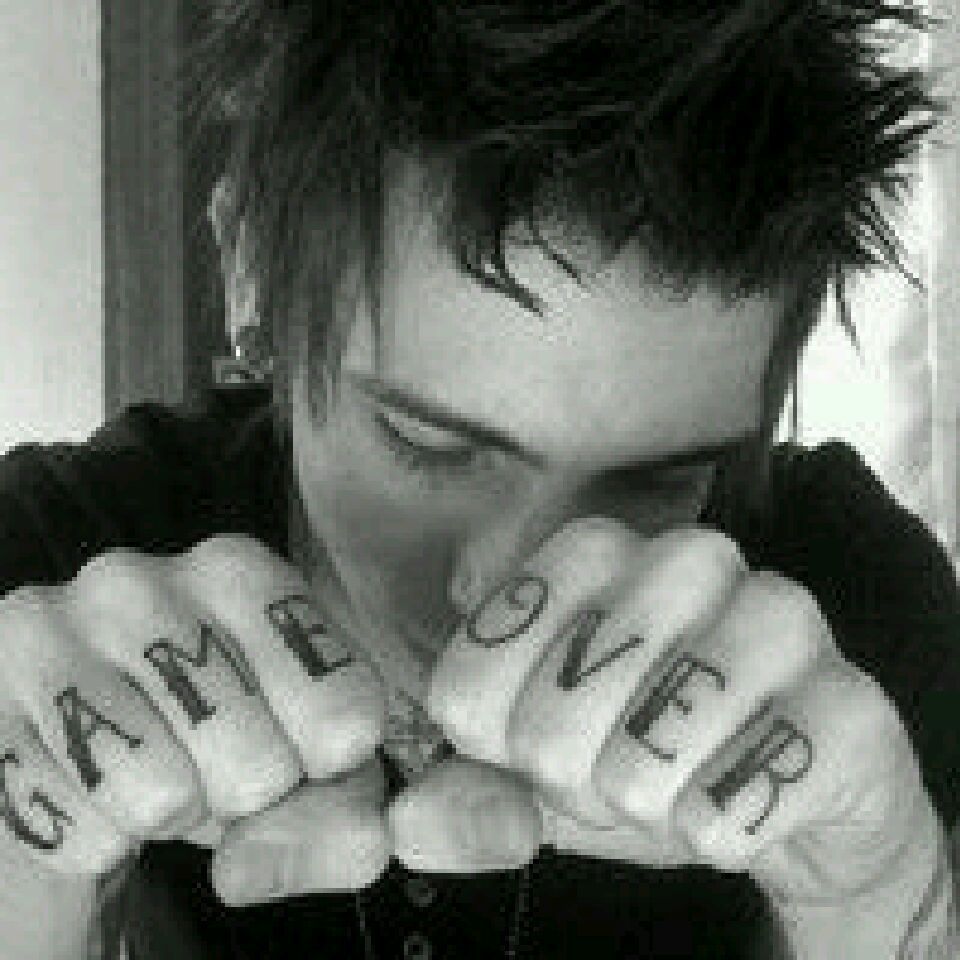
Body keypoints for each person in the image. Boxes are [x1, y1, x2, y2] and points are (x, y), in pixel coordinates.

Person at [0, 1, 957, 957]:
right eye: (427, 444)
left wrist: (869, 901)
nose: (506, 593)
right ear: (252, 266)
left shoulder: (845, 610)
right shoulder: (48, 571)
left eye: (657, 484)